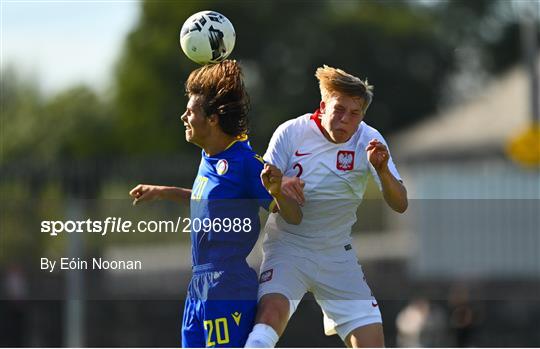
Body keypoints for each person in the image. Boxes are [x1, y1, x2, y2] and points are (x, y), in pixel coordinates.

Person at [129, 60, 302, 348]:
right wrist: (163, 191)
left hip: (227, 285)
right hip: (198, 285)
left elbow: (293, 216)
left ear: (212, 119)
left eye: (191, 110)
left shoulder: (246, 163)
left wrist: (279, 192)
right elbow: (211, 202)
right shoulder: (209, 156)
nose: (183, 116)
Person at [244, 65, 408, 348]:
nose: (345, 119)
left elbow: (400, 204)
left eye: (354, 113)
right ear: (323, 106)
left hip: (336, 254)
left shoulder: (370, 140)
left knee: (372, 343)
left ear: (362, 116)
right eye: (338, 109)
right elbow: (284, 210)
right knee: (270, 318)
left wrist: (382, 171)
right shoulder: (290, 132)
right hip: (288, 247)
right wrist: (280, 190)